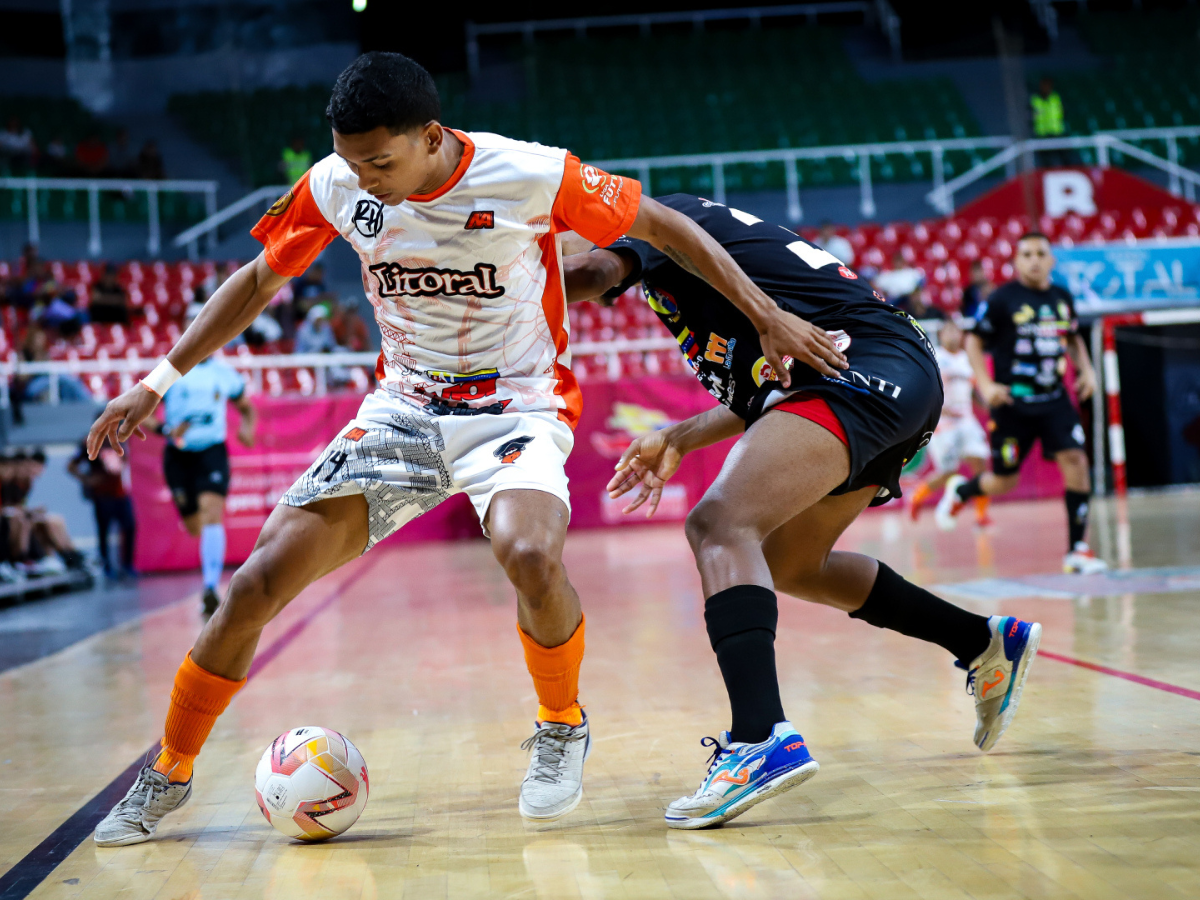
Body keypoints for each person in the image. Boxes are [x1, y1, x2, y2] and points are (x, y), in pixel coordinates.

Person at [86, 51, 829, 844]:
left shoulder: (527, 173)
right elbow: (259, 281)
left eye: (379, 160)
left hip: (517, 409)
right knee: (255, 583)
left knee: (531, 555)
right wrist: (157, 380)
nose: (363, 177)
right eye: (349, 160)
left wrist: (763, 317)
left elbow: (666, 226)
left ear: (431, 136)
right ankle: (166, 771)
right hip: (402, 411)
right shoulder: (338, 184)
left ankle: (560, 724)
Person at [565, 194, 1043, 830]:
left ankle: (759, 737)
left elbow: (592, 274)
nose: (556, 256)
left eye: (551, 242)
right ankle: (982, 641)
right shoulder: (676, 276)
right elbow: (760, 397)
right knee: (792, 564)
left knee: (717, 523)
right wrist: (679, 437)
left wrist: (497, 285)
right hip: (875, 371)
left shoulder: (647, 221)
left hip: (865, 364)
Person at [936, 233, 1106, 574]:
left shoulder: (1062, 298)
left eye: (1041, 253)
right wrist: (984, 384)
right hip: (1013, 404)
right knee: (1004, 481)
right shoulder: (1002, 299)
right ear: (1016, 261)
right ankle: (962, 490)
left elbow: (1072, 338)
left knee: (1076, 461)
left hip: (1055, 400)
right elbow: (973, 342)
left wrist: (1086, 370)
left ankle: (1077, 550)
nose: (1034, 260)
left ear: (1051, 260)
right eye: (1026, 254)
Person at [156, 318, 256, 616]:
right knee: (193, 525)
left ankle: (210, 587)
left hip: (212, 451)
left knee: (213, 513)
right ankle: (209, 579)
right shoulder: (169, 372)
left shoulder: (224, 374)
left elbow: (246, 407)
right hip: (178, 455)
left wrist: (247, 428)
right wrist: (166, 430)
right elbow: (144, 415)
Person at [908, 318, 992, 527]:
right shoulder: (935, 357)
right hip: (944, 423)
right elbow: (924, 388)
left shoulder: (967, 359)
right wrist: (936, 407)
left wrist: (988, 405)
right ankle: (916, 496)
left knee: (980, 465)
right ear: (941, 335)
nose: (953, 335)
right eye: (948, 331)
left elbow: (973, 391)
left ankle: (981, 515)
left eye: (957, 331)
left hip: (966, 420)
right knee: (948, 472)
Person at [69, 434, 136, 579]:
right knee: (104, 530)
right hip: (103, 495)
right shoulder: (89, 442)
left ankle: (127, 564)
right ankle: (107, 566)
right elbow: (71, 465)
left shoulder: (120, 439)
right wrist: (86, 479)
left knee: (129, 526)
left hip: (121, 494)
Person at [1031, 77, 1071, 168]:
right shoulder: (1035, 100)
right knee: (1045, 164)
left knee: (1065, 160)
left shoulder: (1056, 98)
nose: (1046, 88)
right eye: (1044, 85)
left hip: (1058, 134)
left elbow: (1064, 113)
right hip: (1042, 136)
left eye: (1048, 85)